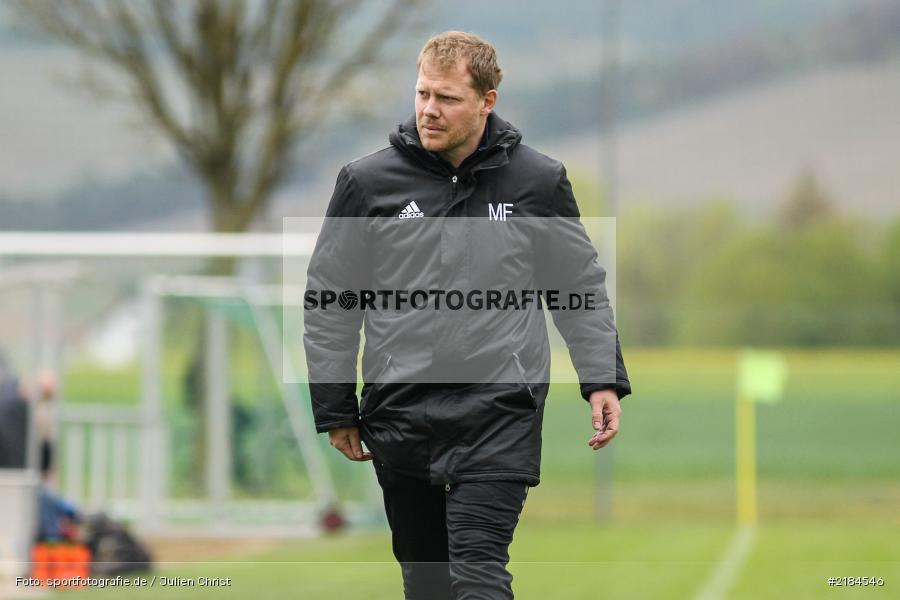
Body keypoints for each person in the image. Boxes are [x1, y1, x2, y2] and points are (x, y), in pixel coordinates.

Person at [303, 31, 631, 599]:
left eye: (447, 98)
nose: (429, 109)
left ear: (487, 101)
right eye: (423, 93)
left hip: (500, 412)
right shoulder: (365, 183)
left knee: (479, 577)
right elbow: (331, 301)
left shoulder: (539, 182)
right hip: (401, 412)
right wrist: (336, 408)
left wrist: (601, 377)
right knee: (427, 584)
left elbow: (577, 285)